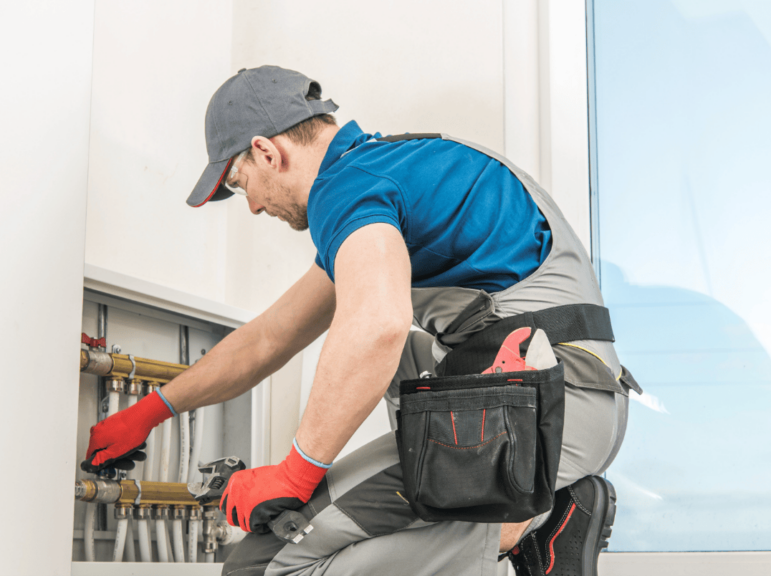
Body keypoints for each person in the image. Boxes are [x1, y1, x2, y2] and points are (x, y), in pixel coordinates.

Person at [82, 65, 635, 576]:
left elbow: (378, 326)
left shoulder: (348, 190)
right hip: (563, 399)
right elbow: (270, 338)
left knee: (265, 567)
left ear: (266, 151)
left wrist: (293, 474)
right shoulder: (384, 174)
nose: (250, 206)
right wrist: (152, 410)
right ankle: (500, 512)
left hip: (541, 414)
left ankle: (525, 525)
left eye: (237, 183)